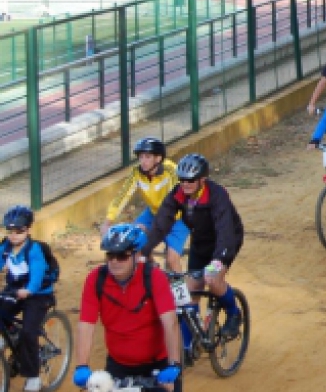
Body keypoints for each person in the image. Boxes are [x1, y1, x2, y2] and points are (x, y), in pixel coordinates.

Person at [145, 154, 245, 342]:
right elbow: (160, 225)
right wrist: (143, 252)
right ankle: (188, 345)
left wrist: (217, 261)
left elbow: (224, 231)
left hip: (226, 240)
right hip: (200, 242)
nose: (185, 184)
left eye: (190, 180)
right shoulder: (178, 194)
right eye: (182, 179)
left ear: (202, 180)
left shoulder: (217, 195)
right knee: (188, 295)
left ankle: (234, 314)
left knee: (212, 279)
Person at [74, 224, 182, 392]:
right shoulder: (96, 280)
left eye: (122, 256)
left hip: (157, 367)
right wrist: (81, 365)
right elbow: (86, 325)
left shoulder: (154, 277)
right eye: (110, 256)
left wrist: (174, 363)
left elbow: (170, 323)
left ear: (137, 255)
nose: (115, 261)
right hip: (118, 367)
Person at [103, 137, 187, 273]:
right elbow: (122, 196)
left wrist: (157, 227)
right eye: (141, 157)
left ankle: (181, 291)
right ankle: (152, 268)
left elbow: (176, 199)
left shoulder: (171, 170)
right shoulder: (136, 172)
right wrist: (108, 221)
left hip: (177, 217)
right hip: (153, 213)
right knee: (135, 240)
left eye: (148, 157)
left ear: (158, 158)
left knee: (172, 259)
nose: (143, 161)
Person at [0, 206, 54, 392]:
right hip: (14, 290)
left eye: (19, 231)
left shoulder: (34, 250)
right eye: (10, 231)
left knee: (29, 332)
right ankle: (12, 334)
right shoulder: (5, 247)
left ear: (28, 230)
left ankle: (33, 377)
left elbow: (38, 274)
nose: (13, 235)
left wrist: (29, 290)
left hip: (37, 294)